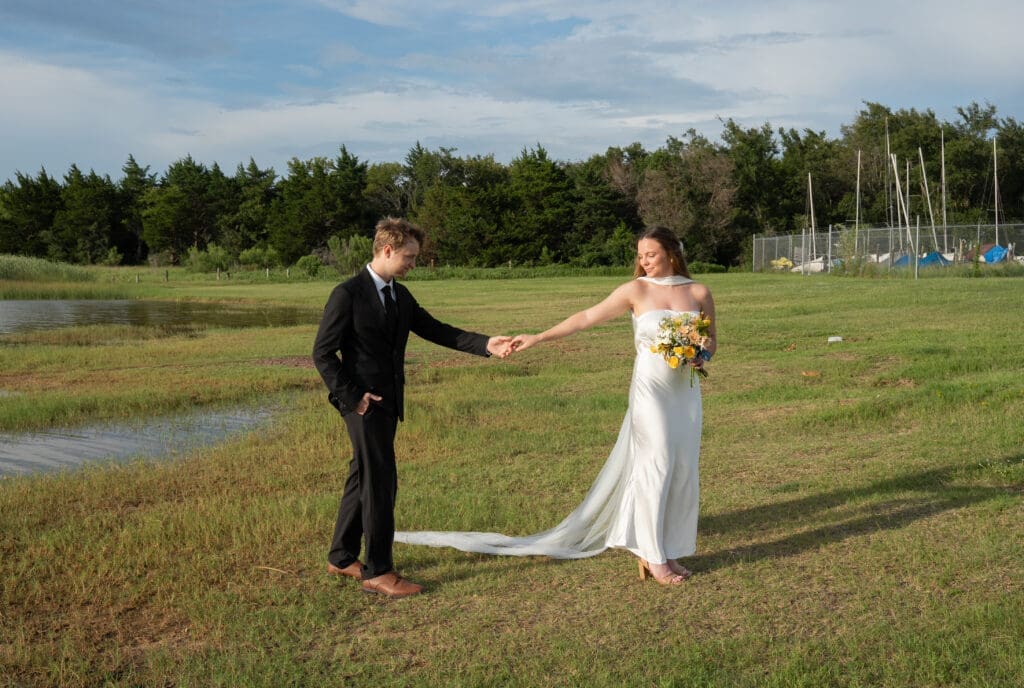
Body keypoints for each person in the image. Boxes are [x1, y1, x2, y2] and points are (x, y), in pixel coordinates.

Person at [394, 226, 717, 585]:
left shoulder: (699, 291)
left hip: (685, 393)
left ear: (671, 253)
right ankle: (651, 554)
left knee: (683, 467)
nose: (643, 261)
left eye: (650, 255)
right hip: (651, 392)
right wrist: (539, 337)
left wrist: (702, 354)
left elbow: (711, 340)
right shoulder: (635, 290)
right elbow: (585, 318)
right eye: (640, 255)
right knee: (657, 464)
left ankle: (669, 549)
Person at [313, 217, 514, 598]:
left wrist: (487, 344)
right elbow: (322, 354)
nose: (413, 264)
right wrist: (354, 396)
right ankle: (378, 570)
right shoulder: (348, 294)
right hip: (362, 406)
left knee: (363, 475)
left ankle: (341, 557)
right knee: (380, 483)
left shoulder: (399, 295)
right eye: (409, 256)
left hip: (390, 403)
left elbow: (437, 329)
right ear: (387, 250)